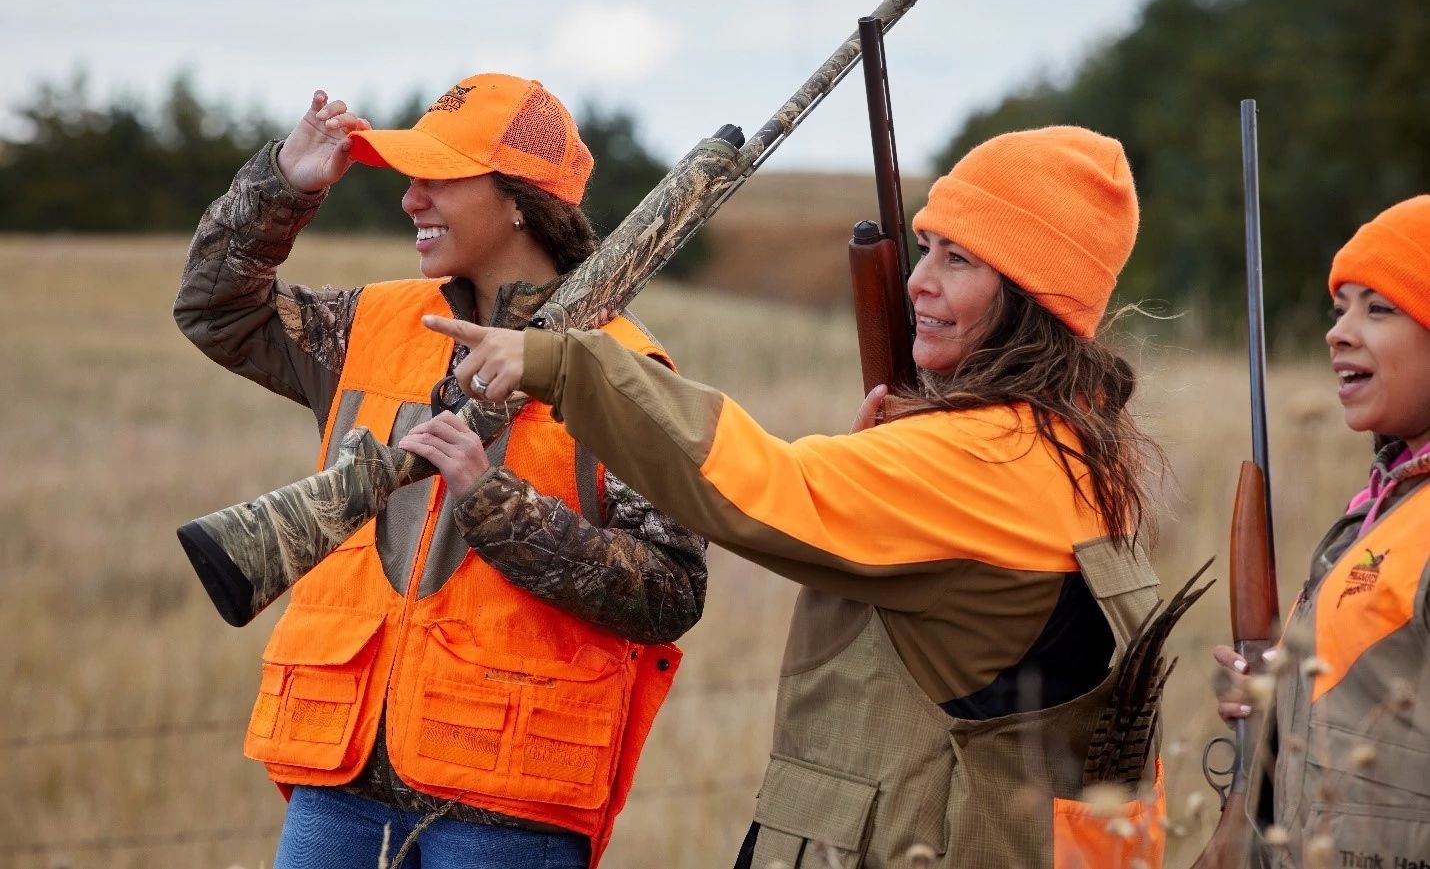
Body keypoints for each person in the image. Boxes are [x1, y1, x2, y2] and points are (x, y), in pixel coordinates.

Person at [425, 126, 1173, 868]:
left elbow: (762, 484)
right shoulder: (1076, 449)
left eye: (960, 259)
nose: (919, 282)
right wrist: (882, 465)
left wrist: (566, 364)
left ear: (1029, 298)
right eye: (926, 249)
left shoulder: (984, 457)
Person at [174, 73, 708, 869]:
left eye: (440, 177)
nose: (411, 199)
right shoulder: (376, 321)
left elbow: (669, 589)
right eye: (412, 176)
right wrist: (281, 185)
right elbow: (217, 311)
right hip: (341, 779)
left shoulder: (626, 368)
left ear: (521, 199)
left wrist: (495, 504)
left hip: (506, 798)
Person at [1212, 195, 1430, 866]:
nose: (1339, 331)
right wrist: (1286, 692)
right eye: (1340, 310)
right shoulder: (1383, 509)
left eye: (1380, 307)